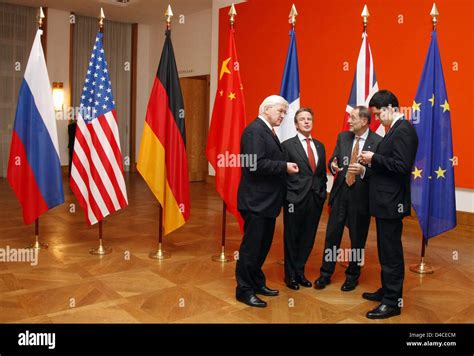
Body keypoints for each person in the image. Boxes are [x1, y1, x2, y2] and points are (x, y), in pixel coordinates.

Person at [358, 90, 419, 319]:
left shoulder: (404, 130)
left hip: (392, 202)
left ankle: (392, 302)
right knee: (385, 249)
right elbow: (389, 165)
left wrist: (373, 158)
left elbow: (402, 166)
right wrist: (370, 165)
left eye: (377, 114)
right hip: (385, 201)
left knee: (391, 252)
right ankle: (387, 291)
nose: (376, 119)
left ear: (391, 108)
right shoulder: (393, 129)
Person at [235, 95, 299, 308]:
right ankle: (244, 290)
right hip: (256, 201)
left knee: (262, 247)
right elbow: (254, 165)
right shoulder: (254, 131)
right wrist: (284, 167)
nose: (283, 116)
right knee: (251, 248)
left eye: (284, 112)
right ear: (266, 109)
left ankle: (256, 283)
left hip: (267, 202)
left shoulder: (267, 131)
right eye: (280, 111)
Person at [314, 106, 382, 292]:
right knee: (331, 237)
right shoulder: (343, 137)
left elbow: (380, 172)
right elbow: (333, 160)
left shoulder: (378, 142)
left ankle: (352, 275)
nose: (349, 121)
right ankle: (325, 273)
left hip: (361, 198)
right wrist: (333, 165)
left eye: (352, 118)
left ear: (365, 121)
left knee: (357, 239)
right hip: (340, 195)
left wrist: (364, 171)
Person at [282, 107, 327, 290]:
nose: (307, 121)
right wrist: (288, 196)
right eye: (302, 119)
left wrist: (322, 193)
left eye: (309, 118)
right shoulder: (287, 145)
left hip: (315, 198)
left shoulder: (319, 145)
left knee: (308, 237)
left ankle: (300, 272)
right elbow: (282, 174)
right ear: (296, 124)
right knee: (292, 237)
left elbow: (321, 173)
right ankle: (290, 275)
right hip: (294, 199)